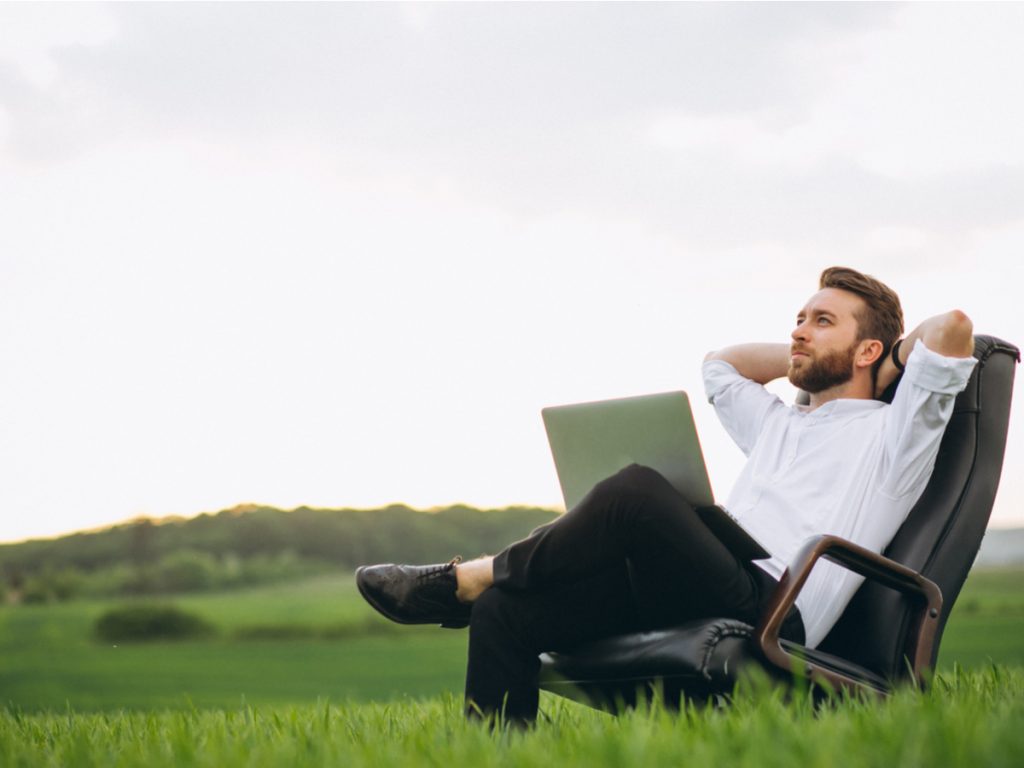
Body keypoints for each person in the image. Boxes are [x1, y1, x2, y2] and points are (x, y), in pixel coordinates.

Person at [356, 266, 976, 725]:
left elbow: (952, 329)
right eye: (798, 319)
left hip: (775, 606)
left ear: (870, 349)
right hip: (705, 581)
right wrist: (804, 357)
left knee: (636, 491)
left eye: (821, 321)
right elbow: (720, 365)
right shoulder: (782, 425)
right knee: (506, 615)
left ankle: (468, 579)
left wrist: (890, 360)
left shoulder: (897, 437)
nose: (798, 332)